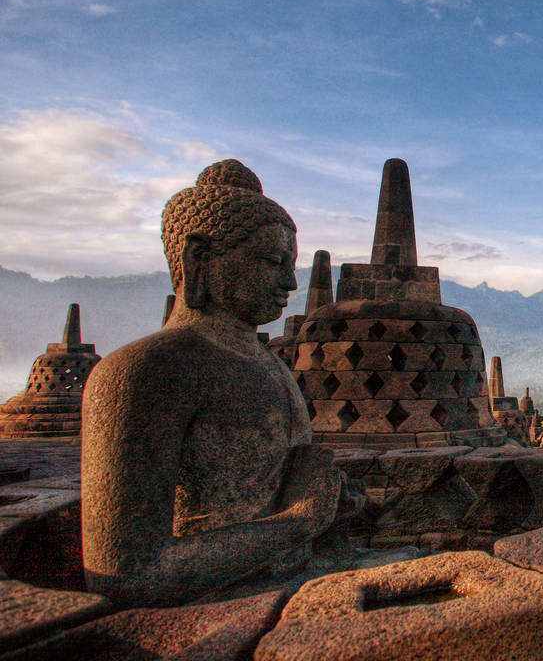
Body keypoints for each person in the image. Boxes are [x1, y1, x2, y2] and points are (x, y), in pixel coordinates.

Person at [81, 159, 358, 607]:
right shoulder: (140, 372)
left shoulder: (272, 366)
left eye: (291, 265)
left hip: (301, 584)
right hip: (210, 617)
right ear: (199, 258)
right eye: (271, 261)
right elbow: (124, 574)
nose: (289, 283)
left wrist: (332, 504)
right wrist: (300, 522)